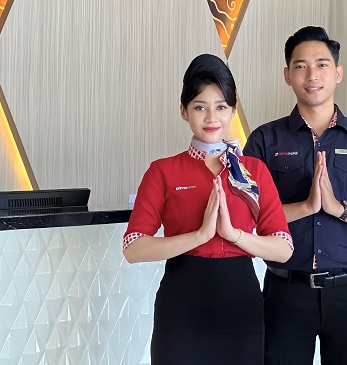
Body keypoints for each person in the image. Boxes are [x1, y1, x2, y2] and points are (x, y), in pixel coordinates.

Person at [244, 26, 347, 365]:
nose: (312, 75)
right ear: (287, 75)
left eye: (321, 64)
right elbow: (248, 219)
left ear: (338, 73)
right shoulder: (264, 140)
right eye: (300, 66)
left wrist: (339, 209)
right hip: (286, 292)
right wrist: (306, 207)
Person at [123, 54, 293, 365]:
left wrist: (234, 235)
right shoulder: (163, 171)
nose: (212, 117)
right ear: (184, 111)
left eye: (221, 107)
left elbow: (283, 249)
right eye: (200, 107)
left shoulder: (253, 171)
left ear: (233, 111)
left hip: (241, 308)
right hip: (181, 309)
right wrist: (199, 236)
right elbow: (133, 248)